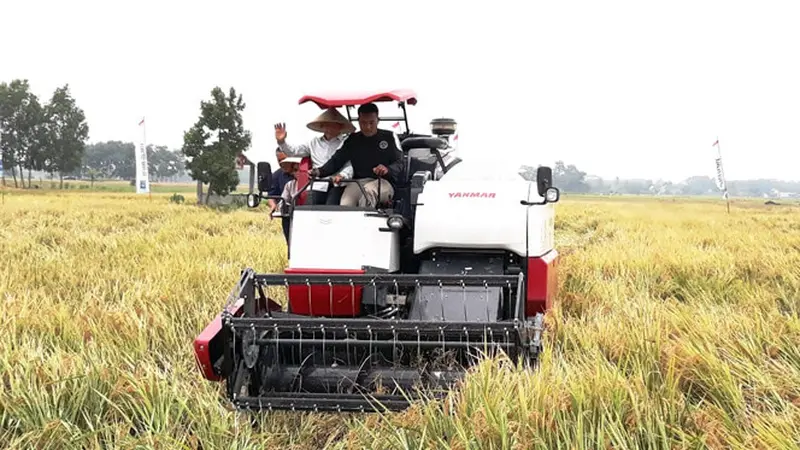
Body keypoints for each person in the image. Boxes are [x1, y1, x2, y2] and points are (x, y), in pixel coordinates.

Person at [310, 103, 404, 208]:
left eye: (371, 123)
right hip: (357, 182)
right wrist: (318, 171)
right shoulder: (352, 139)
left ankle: (365, 223)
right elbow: (336, 161)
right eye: (363, 123)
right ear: (358, 121)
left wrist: (387, 169)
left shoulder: (390, 137)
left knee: (368, 193)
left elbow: (400, 162)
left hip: (384, 182)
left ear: (378, 120)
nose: (367, 127)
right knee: (345, 203)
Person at [274, 108, 355, 205]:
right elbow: (293, 152)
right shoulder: (313, 143)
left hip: (338, 184)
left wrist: (342, 175)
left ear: (340, 126)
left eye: (333, 124)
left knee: (332, 208)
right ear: (322, 125)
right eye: (327, 124)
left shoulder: (346, 143)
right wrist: (281, 142)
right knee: (309, 208)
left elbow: (349, 165)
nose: (329, 127)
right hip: (317, 183)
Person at [266, 150, 301, 253]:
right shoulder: (287, 184)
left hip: (311, 216)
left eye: (297, 169)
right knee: (292, 247)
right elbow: (275, 197)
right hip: (289, 217)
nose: (295, 172)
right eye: (280, 160)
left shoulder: (316, 180)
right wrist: (274, 206)